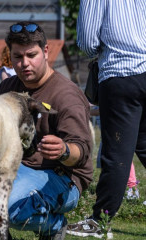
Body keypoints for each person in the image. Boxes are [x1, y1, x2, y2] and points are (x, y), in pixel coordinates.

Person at [0, 21, 93, 240]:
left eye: (31, 55)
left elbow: (82, 153)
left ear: (46, 51)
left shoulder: (66, 95)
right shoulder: (8, 88)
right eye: (18, 57)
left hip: (61, 177)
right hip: (19, 168)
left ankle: (55, 225)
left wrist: (64, 151)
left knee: (11, 211)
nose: (24, 63)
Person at [67, 0, 146, 239]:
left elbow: (87, 41)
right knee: (144, 144)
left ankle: (99, 220)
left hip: (120, 72)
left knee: (116, 155)